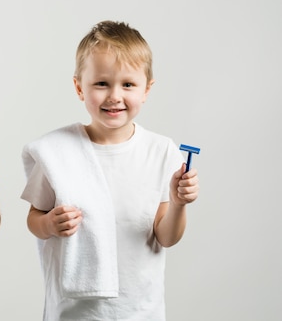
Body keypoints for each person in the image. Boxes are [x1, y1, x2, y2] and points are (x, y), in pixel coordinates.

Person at [20, 20, 199, 321]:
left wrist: (179, 204)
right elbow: (34, 219)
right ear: (79, 87)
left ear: (146, 89)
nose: (115, 96)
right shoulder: (57, 153)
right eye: (102, 83)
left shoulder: (160, 152)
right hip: (74, 312)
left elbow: (165, 237)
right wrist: (50, 223)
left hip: (140, 310)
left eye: (128, 84)